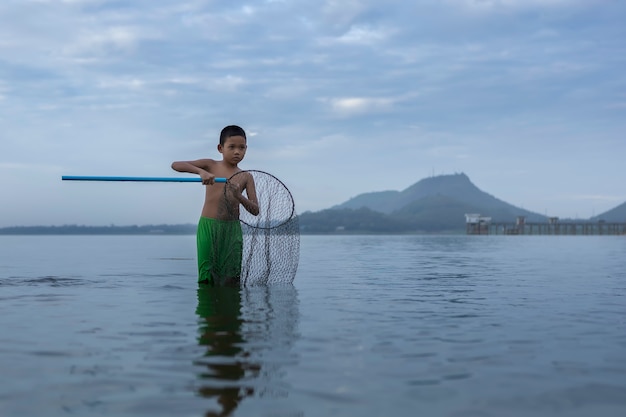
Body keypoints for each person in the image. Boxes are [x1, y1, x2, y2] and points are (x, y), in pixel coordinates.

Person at [171, 125, 259, 286]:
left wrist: (238, 196)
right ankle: (209, 310)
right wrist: (201, 172)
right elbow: (176, 165)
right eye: (231, 147)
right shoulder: (211, 165)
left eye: (242, 148)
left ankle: (230, 310)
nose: (237, 152)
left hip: (232, 230)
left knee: (232, 279)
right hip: (209, 227)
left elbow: (255, 210)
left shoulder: (246, 176)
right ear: (220, 148)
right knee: (207, 277)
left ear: (246, 149)